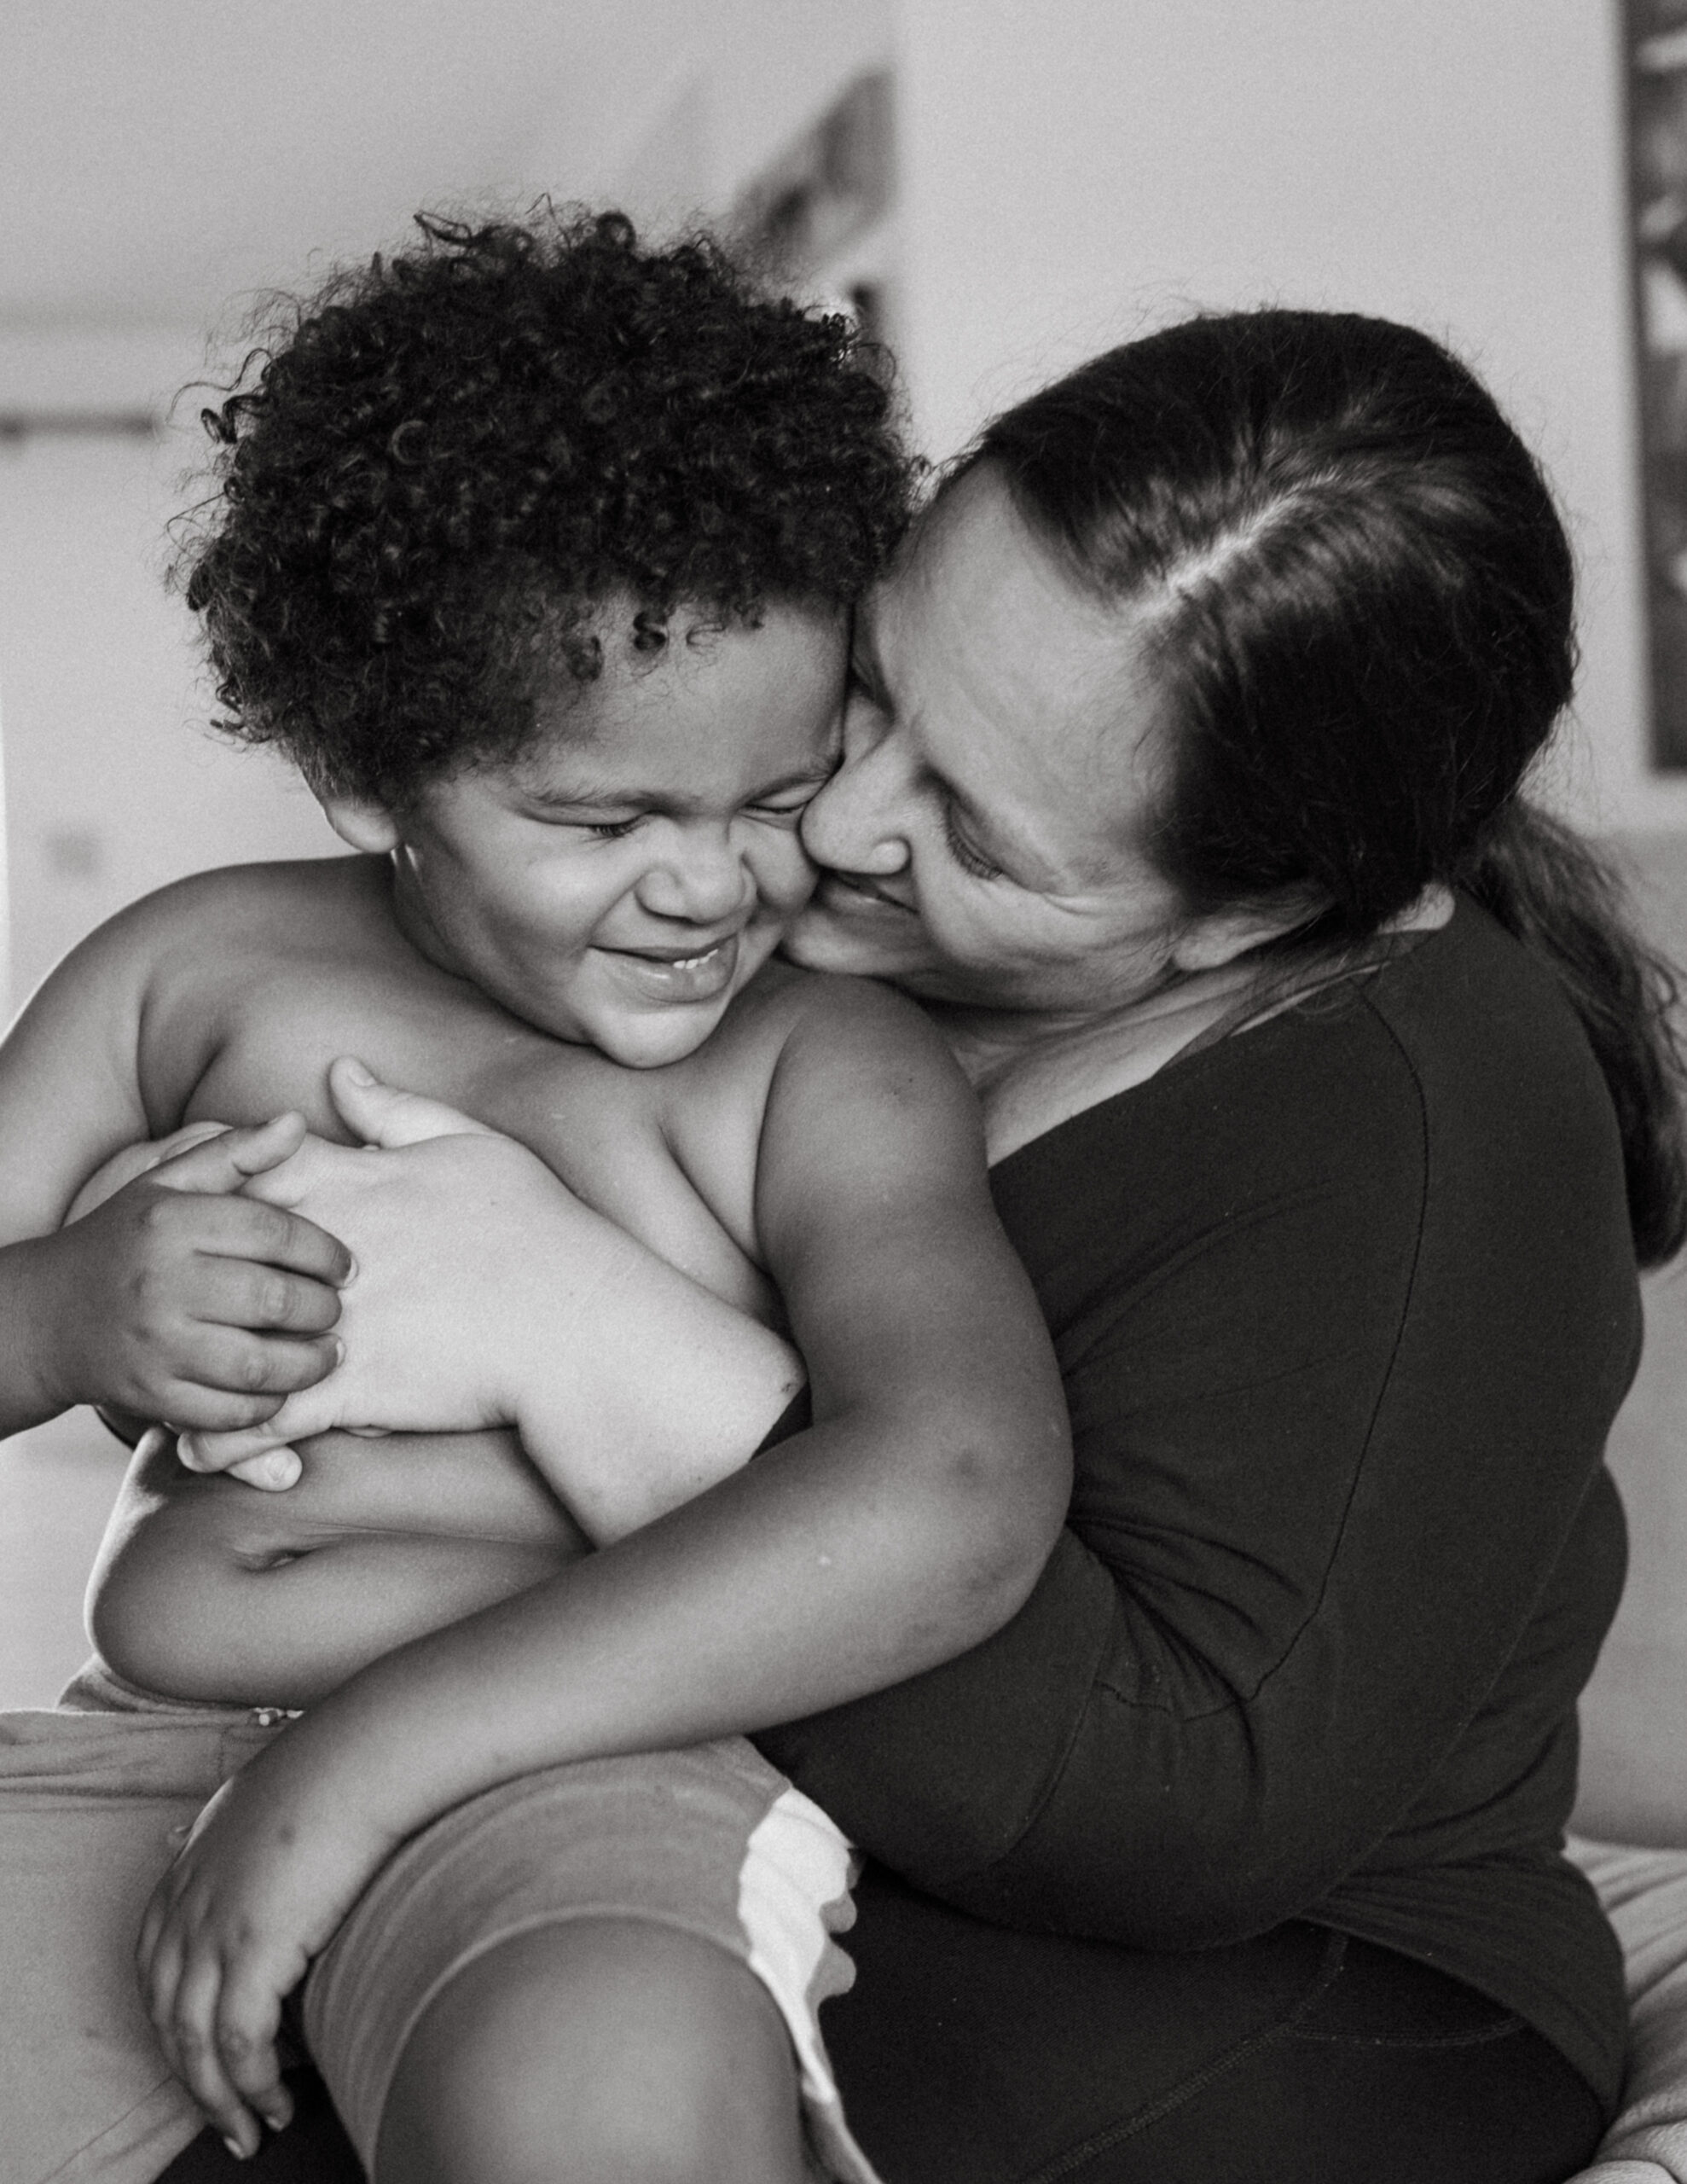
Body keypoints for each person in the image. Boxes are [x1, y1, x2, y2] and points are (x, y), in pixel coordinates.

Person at [140, 305, 1685, 2184]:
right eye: (880, 685)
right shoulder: (760, 890)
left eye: (976, 825)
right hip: (788, 1825)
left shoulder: (1435, 1104)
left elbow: (1180, 1811)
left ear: (1246, 912)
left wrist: (578, 1344)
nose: (843, 822)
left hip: (1278, 1989)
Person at [0, 210, 1073, 2184]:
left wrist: (375, 1751)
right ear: (372, 772)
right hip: (129, 1749)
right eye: (600, 818)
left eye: (771, 800)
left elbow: (961, 1480)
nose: (711, 884)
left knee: (595, 2077)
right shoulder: (194, 970)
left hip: (589, 1765)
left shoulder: (822, 1067)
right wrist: (64, 1306)